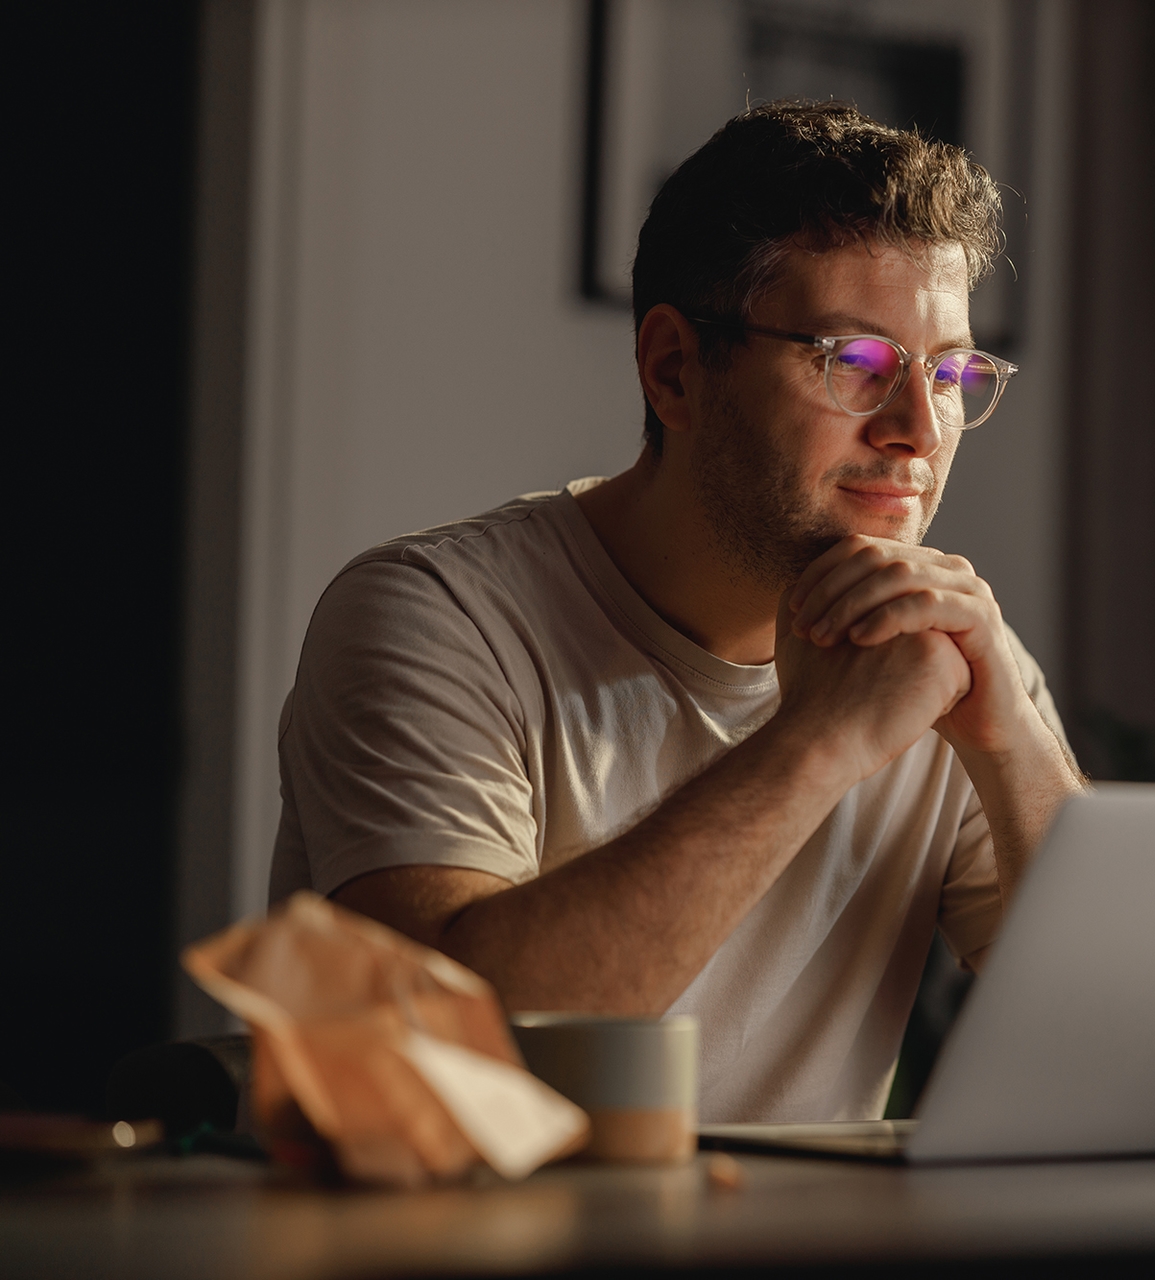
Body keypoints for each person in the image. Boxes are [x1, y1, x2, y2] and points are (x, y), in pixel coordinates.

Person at [267, 101, 1086, 1122]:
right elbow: (451, 1052)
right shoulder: (436, 618)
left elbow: (1132, 1043)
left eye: (952, 372)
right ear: (674, 369)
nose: (919, 429)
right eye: (858, 363)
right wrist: (820, 739)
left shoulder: (952, 651)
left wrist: (1013, 742)